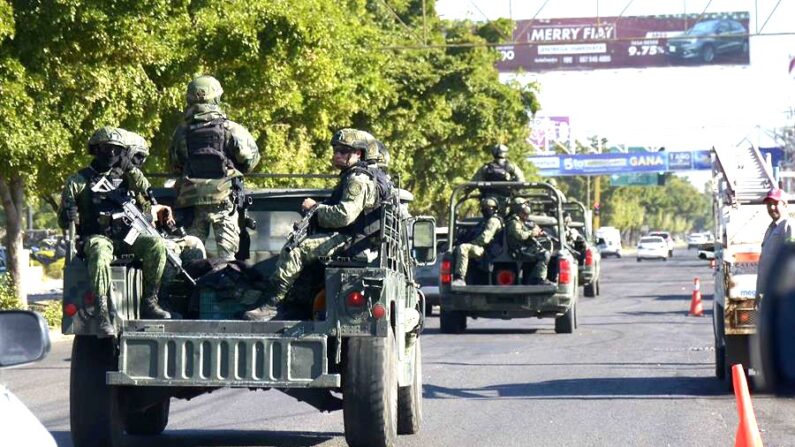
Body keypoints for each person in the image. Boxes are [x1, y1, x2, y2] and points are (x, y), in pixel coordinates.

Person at [243, 128, 382, 320]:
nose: (337, 155)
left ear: (359, 153)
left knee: (295, 251)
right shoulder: (358, 176)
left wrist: (314, 208)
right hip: (355, 238)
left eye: (343, 151)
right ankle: (293, 304)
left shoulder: (357, 179)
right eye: (335, 150)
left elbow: (343, 215)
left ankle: (272, 305)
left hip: (352, 240)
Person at [59, 127, 173, 336]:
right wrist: (69, 215)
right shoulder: (78, 180)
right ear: (95, 149)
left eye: (116, 149)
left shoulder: (127, 175)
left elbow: (146, 193)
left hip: (126, 237)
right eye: (105, 148)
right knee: (100, 251)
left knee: (156, 245)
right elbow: (64, 221)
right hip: (97, 237)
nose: (111, 153)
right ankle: (102, 313)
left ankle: (150, 301)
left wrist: (129, 168)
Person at [169, 75, 261, 261]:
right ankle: (224, 288)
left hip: (191, 204)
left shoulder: (181, 132)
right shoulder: (232, 129)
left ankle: (192, 288)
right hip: (224, 201)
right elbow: (250, 161)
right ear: (216, 99)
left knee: (191, 258)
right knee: (227, 260)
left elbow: (175, 164)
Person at [451, 197, 504, 286]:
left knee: (464, 248)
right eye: (484, 208)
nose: (485, 210)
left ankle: (460, 278)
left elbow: (485, 238)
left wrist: (470, 244)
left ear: (495, 209)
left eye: (488, 208)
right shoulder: (483, 222)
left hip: (487, 250)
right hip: (481, 248)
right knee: (456, 249)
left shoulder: (494, 221)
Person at [756, 188, 793, 300]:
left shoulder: (789, 226)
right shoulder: (771, 228)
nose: (772, 208)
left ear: (785, 205)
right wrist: (759, 293)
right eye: (769, 204)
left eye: (776, 203)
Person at [506, 200, 553, 286]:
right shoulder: (513, 222)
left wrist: (537, 233)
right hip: (518, 251)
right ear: (518, 211)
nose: (526, 216)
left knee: (542, 249)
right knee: (544, 255)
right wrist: (532, 233)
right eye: (523, 213)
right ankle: (539, 279)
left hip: (522, 248)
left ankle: (531, 279)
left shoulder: (520, 222)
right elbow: (520, 235)